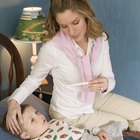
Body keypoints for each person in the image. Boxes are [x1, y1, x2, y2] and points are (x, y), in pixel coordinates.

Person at [6, 0, 140, 135]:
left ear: (85, 14)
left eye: (76, 22)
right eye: (64, 26)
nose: (71, 31)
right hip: (69, 113)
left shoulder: (100, 39)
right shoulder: (52, 49)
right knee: (122, 123)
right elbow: (34, 80)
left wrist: (106, 84)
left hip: (93, 97)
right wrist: (13, 101)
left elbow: (110, 78)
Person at [3, 104, 123, 140]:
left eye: (36, 112)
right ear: (25, 135)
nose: (39, 116)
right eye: (33, 120)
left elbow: (78, 130)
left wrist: (97, 131)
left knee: (113, 130)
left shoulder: (54, 122)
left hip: (89, 136)